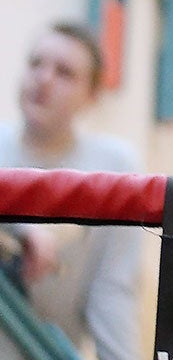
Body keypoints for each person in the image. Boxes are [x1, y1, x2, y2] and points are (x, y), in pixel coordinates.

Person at [0, 23, 139, 360]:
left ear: (92, 96)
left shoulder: (114, 165)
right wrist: (20, 228)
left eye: (64, 73)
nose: (43, 79)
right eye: (35, 64)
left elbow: (113, 291)